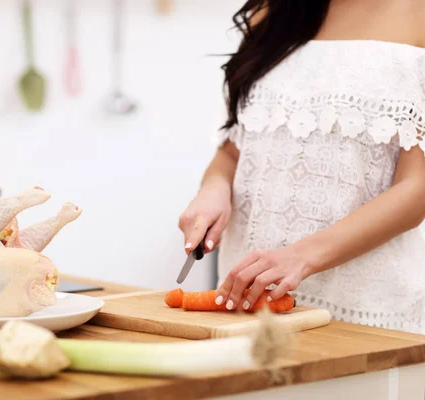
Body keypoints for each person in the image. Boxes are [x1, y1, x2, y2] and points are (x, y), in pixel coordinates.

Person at [178, 0, 425, 334]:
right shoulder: (272, 12)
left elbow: (416, 189)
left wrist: (300, 256)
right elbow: (232, 153)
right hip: (247, 308)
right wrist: (213, 191)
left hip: (367, 317)